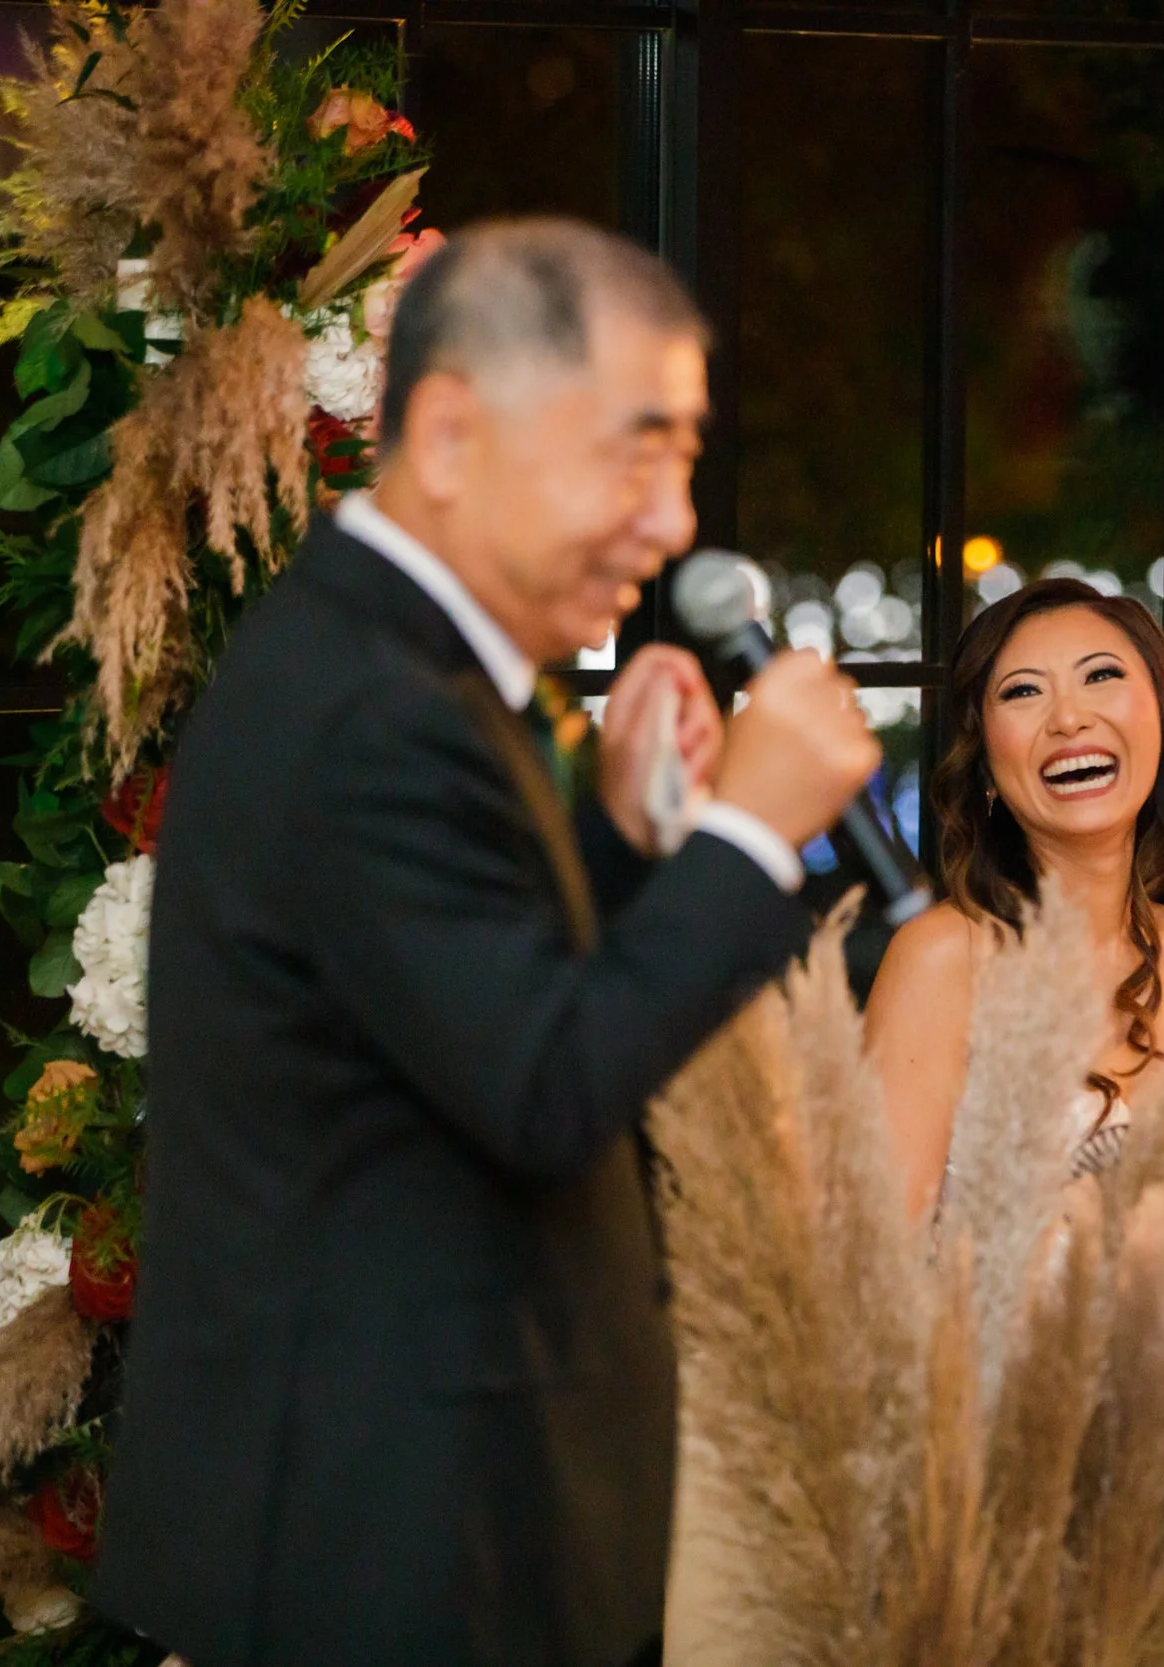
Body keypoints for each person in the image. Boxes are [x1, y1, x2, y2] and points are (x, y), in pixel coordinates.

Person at [91, 219, 882, 1667]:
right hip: (381, 1542)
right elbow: (543, 1085)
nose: (673, 523)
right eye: (636, 455)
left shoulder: (407, 667)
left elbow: (451, 1001)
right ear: (451, 432)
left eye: (685, 460)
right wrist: (753, 831)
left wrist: (621, 844)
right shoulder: (372, 706)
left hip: (434, 1518)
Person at [863, 578, 1164, 1218]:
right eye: (1023, 692)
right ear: (985, 763)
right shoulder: (941, 959)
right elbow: (873, 1254)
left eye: (1101, 676)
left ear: (1163, 720)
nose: (1068, 719)